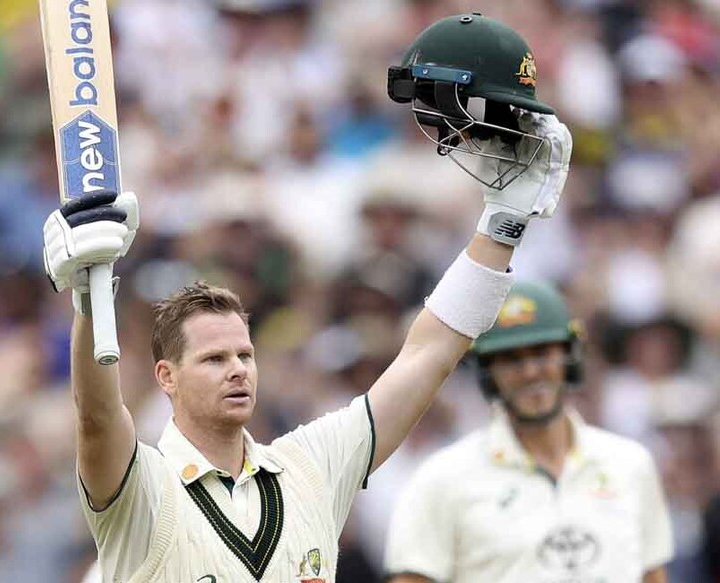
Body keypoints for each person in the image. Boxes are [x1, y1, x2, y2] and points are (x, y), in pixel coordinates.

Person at [41, 13, 571, 581]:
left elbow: (430, 352)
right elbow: (96, 416)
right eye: (214, 359)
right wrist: (86, 295)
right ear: (165, 376)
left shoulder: (310, 466)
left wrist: (503, 225)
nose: (237, 371)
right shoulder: (142, 488)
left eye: (244, 356)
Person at [384, 281, 674, 583]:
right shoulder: (441, 479)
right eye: (511, 358)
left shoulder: (630, 463)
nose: (530, 371)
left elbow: (652, 575)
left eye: (542, 352)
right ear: (487, 372)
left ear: (570, 356)